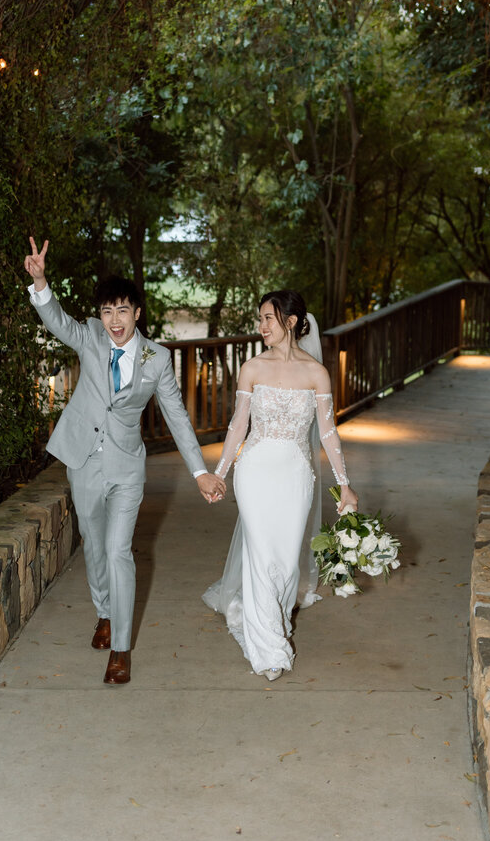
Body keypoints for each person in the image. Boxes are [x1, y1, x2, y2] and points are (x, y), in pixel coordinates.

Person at [24, 237, 226, 686]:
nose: (114, 321)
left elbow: (176, 415)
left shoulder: (158, 359)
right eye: (107, 311)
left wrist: (199, 471)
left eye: (122, 311)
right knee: (93, 545)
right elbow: (56, 320)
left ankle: (120, 650)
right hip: (83, 460)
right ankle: (103, 613)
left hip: (126, 466)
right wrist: (40, 282)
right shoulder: (91, 337)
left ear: (137, 313)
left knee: (118, 551)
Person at [203, 289, 360, 680]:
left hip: (295, 473)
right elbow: (239, 425)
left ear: (290, 322)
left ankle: (278, 622)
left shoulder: (316, 373)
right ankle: (269, 647)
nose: (261, 327)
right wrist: (219, 473)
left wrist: (345, 486)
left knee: (287, 560)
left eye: (268, 319)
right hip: (254, 470)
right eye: (260, 319)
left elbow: (328, 434)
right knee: (260, 554)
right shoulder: (252, 368)